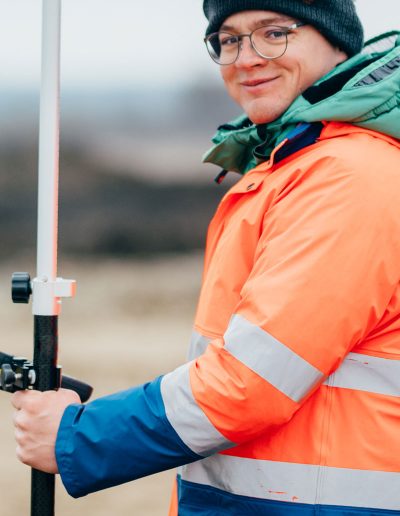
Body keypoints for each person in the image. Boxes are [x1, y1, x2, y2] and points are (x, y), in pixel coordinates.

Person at [12, 1, 400, 514]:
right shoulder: (292, 168)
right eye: (229, 39)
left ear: (338, 43)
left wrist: (75, 437)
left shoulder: (346, 178)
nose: (247, 58)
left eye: (274, 33)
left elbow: (251, 383)